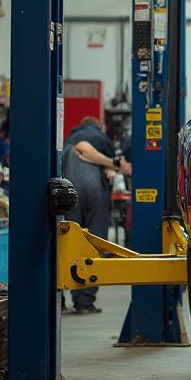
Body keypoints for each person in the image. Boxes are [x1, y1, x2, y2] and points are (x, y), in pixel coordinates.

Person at [61, 116, 131, 314]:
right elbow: (113, 165)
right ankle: (85, 301)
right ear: (100, 127)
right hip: (94, 193)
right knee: (93, 243)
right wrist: (115, 166)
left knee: (69, 244)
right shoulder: (101, 138)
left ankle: (61, 298)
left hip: (69, 192)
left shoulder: (69, 138)